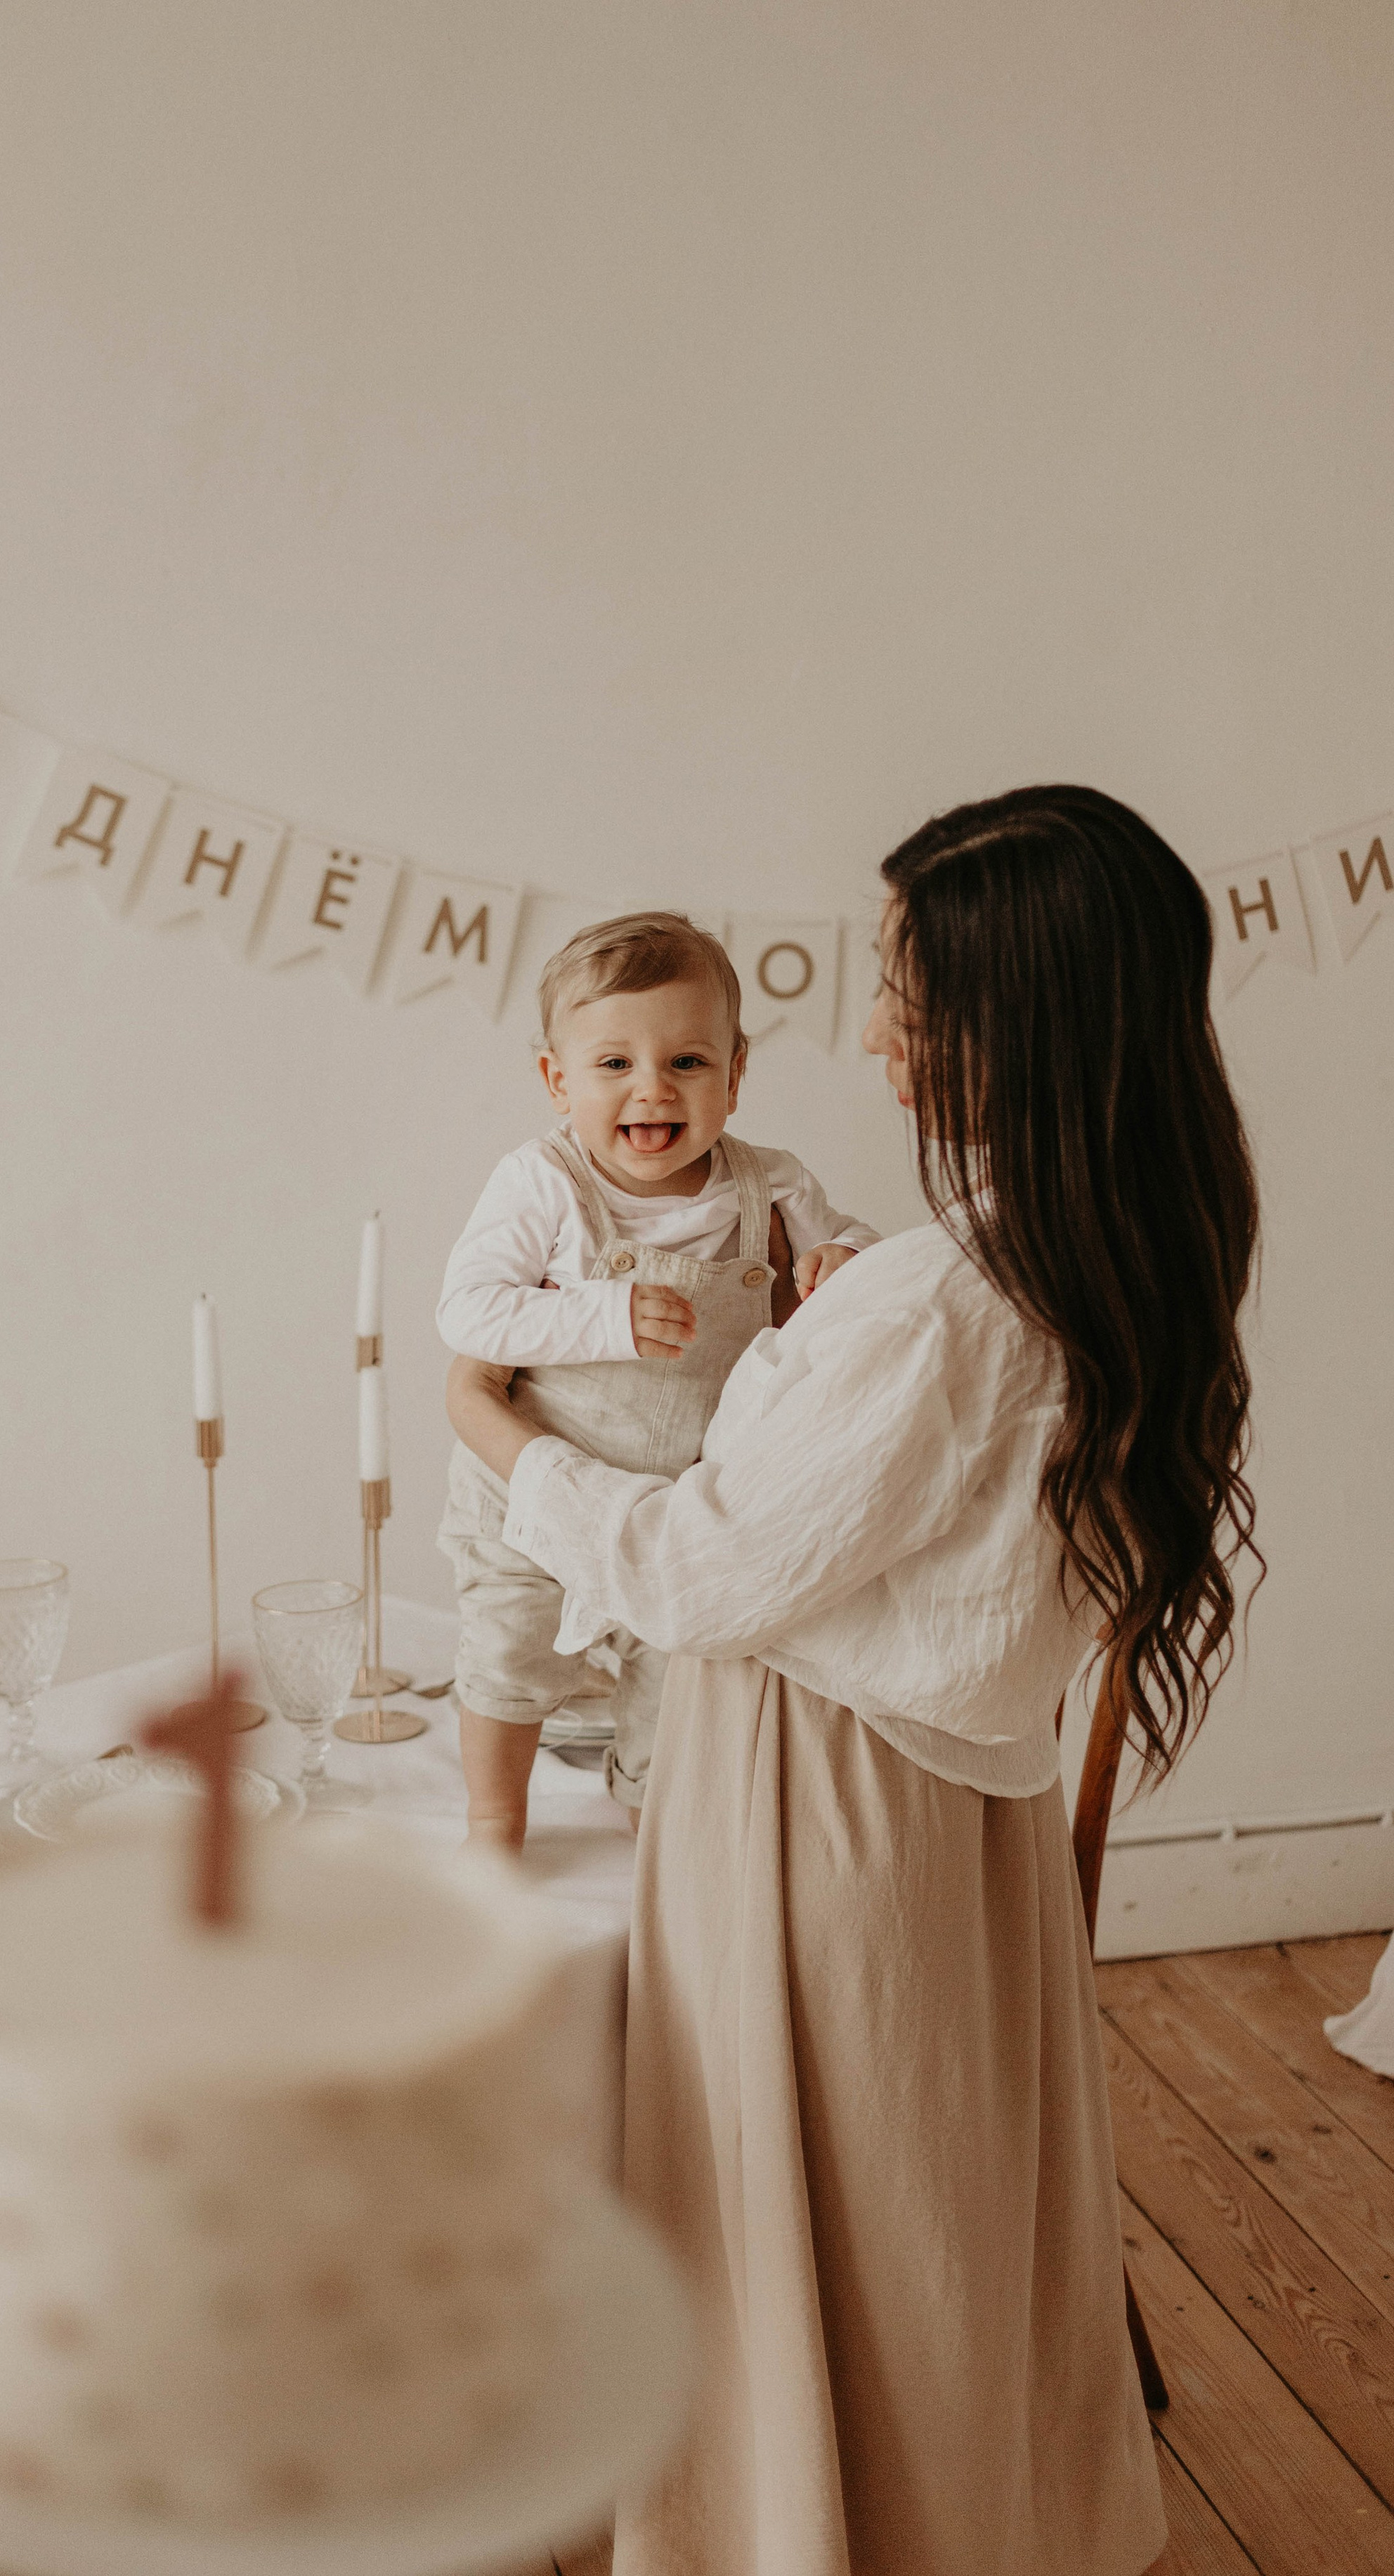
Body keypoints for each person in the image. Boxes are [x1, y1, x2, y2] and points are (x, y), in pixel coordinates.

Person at [448, 788, 1259, 2575]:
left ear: (996, 1020)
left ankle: (808, 2539)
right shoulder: (1118, 1249)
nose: (875, 1033)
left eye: (901, 990)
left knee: (784, 2212)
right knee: (932, 2217)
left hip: (810, 1796)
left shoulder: (929, 1306)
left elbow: (691, 1571)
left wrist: (497, 1435)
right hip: (964, 1804)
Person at [437, 909, 875, 1849]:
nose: (652, 1089)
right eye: (613, 1064)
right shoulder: (545, 1182)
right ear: (557, 1079)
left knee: (678, 1679)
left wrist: (841, 1255)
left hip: (679, 1505)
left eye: (686, 1062)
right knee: (508, 1650)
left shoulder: (770, 1184)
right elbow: (466, 1312)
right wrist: (602, 1314)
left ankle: (654, 1828)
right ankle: (493, 1822)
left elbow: (861, 1244)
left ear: (736, 1071)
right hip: (539, 1486)